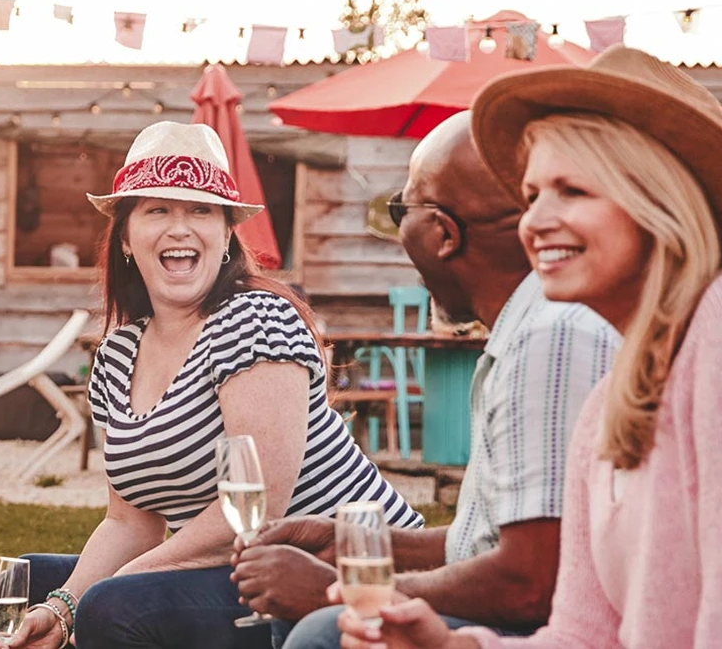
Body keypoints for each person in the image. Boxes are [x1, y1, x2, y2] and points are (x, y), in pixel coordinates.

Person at [337, 46, 722, 648]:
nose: (535, 222)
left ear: (656, 202)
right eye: (531, 196)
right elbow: (584, 635)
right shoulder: (612, 401)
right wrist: (451, 646)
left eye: (572, 190)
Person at [0, 122, 423, 649]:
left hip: (336, 575)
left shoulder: (255, 319)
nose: (179, 227)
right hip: (236, 572)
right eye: (157, 209)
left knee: (113, 605)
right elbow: (130, 523)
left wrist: (87, 605)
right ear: (125, 238)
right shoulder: (117, 354)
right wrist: (62, 603)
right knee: (31, 583)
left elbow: (256, 511)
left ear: (227, 234)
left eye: (201, 210)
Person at [237, 112, 618, 648]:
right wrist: (348, 540)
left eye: (402, 210)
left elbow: (530, 584)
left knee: (322, 631)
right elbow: (487, 543)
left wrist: (344, 587)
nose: (398, 236)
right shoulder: (527, 330)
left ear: (442, 233)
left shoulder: (551, 337)